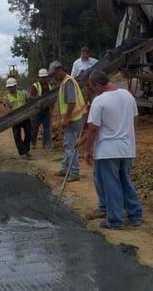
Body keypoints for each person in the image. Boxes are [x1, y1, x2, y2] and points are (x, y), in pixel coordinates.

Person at [79, 70, 143, 230]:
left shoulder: (100, 101)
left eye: (92, 88)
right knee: (125, 181)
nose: (92, 91)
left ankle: (114, 220)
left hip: (108, 151)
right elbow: (135, 120)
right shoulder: (128, 96)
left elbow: (93, 129)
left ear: (98, 84)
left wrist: (87, 151)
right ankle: (135, 215)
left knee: (111, 185)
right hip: (127, 149)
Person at [48, 60, 86, 181]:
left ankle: (74, 172)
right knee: (67, 144)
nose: (54, 78)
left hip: (72, 120)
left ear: (59, 70)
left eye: (54, 75)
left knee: (70, 146)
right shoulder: (66, 82)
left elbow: (71, 102)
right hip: (73, 119)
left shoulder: (68, 82)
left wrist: (66, 118)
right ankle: (65, 167)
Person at [5, 77, 32, 159]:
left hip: (25, 116)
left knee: (29, 133)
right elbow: (7, 107)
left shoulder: (22, 93)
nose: (10, 88)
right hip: (15, 119)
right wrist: (8, 109)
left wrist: (33, 95)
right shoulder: (7, 97)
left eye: (12, 86)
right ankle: (22, 152)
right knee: (17, 136)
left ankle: (26, 150)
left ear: (15, 86)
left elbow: (30, 98)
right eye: (9, 87)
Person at [30, 68, 53, 148]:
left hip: (46, 109)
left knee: (47, 127)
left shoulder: (49, 86)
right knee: (35, 127)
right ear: (39, 78)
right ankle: (33, 142)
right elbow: (31, 97)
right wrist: (38, 98)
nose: (44, 79)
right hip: (37, 110)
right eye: (42, 77)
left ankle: (45, 143)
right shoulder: (35, 86)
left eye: (45, 77)